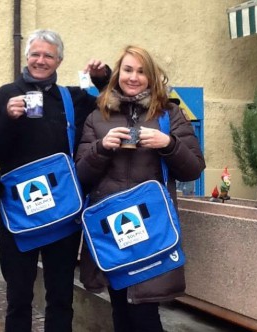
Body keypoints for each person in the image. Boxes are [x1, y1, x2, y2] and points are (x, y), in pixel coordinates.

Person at [0, 29, 109, 332]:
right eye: (35, 54)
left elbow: (111, 105)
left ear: (59, 60)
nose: (40, 60)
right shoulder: (4, 95)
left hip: (62, 215)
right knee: (18, 297)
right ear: (26, 57)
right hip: (18, 216)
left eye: (48, 55)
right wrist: (7, 120)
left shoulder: (72, 98)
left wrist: (103, 79)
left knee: (61, 297)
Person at [75, 45, 206, 332]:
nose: (133, 77)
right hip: (112, 231)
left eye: (141, 72)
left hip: (151, 230)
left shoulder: (169, 114)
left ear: (152, 77)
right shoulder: (98, 117)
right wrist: (101, 148)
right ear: (117, 74)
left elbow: (194, 168)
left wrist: (168, 144)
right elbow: (80, 177)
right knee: (120, 311)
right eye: (128, 70)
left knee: (144, 315)